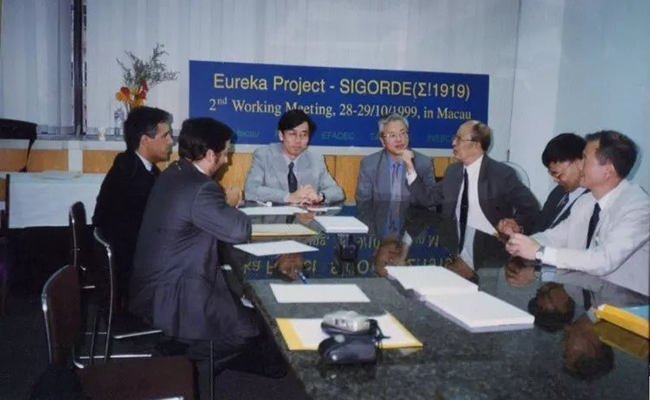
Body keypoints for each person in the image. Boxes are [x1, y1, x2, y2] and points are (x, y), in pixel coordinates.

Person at [129, 117, 283, 377]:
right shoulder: (201, 188)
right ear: (211, 154)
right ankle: (184, 372)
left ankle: (191, 353)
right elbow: (238, 231)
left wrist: (221, 201)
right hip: (172, 292)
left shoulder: (176, 171)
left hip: (155, 281)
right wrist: (230, 201)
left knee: (241, 305)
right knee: (248, 331)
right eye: (226, 153)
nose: (227, 160)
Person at [506, 130, 649, 296]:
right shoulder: (586, 201)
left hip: (628, 304)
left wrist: (539, 252)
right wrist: (522, 242)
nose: (580, 165)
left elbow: (603, 260)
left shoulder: (638, 207)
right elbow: (555, 237)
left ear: (608, 170)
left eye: (585, 158)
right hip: (589, 297)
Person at [92, 106, 173, 301]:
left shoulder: (137, 165)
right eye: (165, 135)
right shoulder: (132, 177)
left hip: (132, 258)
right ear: (145, 140)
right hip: (131, 274)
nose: (171, 141)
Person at [440, 120, 539, 265]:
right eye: (454, 138)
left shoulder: (501, 174)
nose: (454, 143)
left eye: (459, 138)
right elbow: (431, 198)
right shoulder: (452, 171)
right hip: (454, 251)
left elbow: (531, 208)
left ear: (477, 145)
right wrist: (411, 171)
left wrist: (516, 224)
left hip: (491, 255)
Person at [244, 109, 344, 204]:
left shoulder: (316, 160)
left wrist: (320, 197)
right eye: (292, 134)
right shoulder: (264, 156)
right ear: (281, 135)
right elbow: (250, 191)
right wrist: (288, 197)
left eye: (303, 135)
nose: (298, 140)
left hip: (305, 216)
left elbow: (337, 192)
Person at [499, 133, 587, 235]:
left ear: (578, 163)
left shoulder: (592, 200)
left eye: (558, 174)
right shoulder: (558, 193)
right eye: (552, 174)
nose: (555, 180)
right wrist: (518, 229)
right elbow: (540, 226)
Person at [355, 114, 439, 207]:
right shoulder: (369, 165)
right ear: (382, 141)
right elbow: (363, 205)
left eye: (402, 133)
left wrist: (411, 169)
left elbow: (431, 204)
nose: (399, 139)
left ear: (408, 136)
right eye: (392, 135)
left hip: (413, 216)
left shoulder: (423, 163)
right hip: (379, 216)